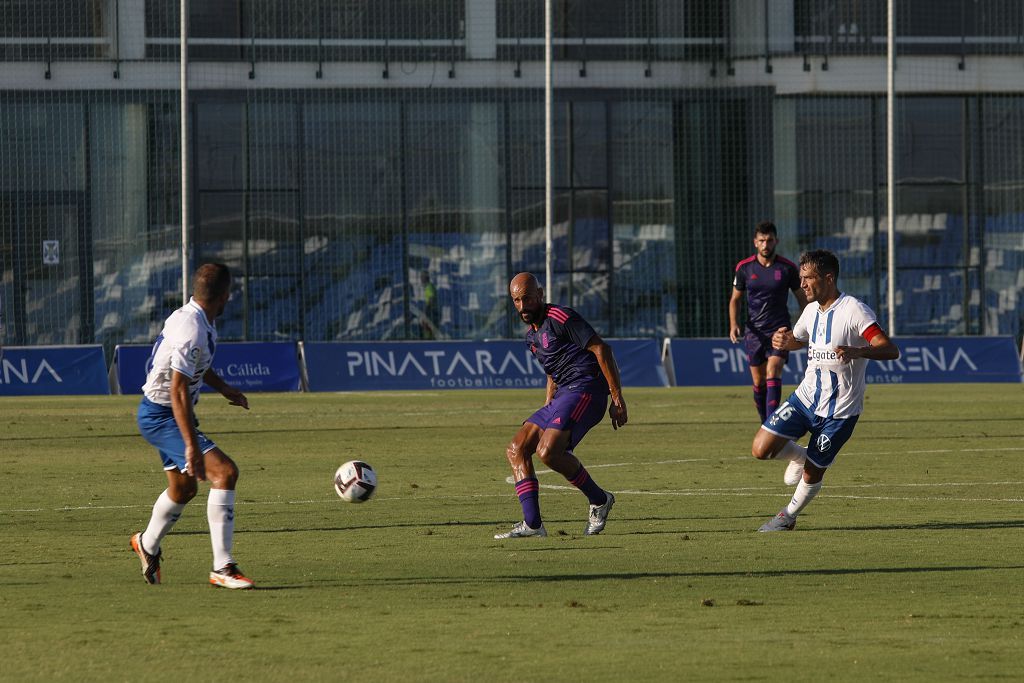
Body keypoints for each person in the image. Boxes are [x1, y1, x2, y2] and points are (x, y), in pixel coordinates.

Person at [751, 249, 900, 532]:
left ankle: (787, 517)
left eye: (808, 278)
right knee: (760, 449)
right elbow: (799, 340)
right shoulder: (810, 311)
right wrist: (785, 341)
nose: (803, 284)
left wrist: (858, 350)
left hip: (840, 411)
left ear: (828, 278)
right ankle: (798, 453)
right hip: (806, 398)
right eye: (801, 278)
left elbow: (889, 349)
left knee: (813, 470)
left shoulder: (854, 310)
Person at [130, 263, 255, 588]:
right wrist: (190, 445)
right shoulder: (193, 328)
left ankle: (146, 543)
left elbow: (195, 366)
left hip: (166, 413)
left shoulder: (193, 317)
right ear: (225, 296)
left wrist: (225, 387)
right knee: (224, 472)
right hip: (162, 415)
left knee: (184, 489)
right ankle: (223, 567)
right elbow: (178, 388)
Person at [495, 272, 628, 539]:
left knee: (548, 451)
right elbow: (552, 371)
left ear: (540, 295)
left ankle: (599, 500)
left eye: (528, 299)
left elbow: (602, 350)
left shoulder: (560, 317)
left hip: (587, 389)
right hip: (563, 395)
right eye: (517, 300)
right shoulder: (531, 339)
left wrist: (617, 398)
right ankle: (533, 525)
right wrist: (548, 405)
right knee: (516, 448)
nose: (523, 306)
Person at [729, 221, 808, 423]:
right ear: (756, 242)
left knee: (774, 370)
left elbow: (801, 297)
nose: (766, 244)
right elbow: (735, 299)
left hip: (779, 330)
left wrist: (804, 323)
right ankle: (765, 423)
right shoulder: (744, 268)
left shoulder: (787, 268)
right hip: (754, 332)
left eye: (770, 240)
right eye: (762, 240)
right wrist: (733, 324)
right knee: (758, 381)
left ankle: (772, 424)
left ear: (776, 241)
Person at [419, 270, 439, 339]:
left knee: (428, 329)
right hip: (430, 311)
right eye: (420, 277)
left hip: (431, 312)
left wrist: (426, 310)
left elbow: (431, 299)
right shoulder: (428, 287)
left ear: (426, 278)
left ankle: (428, 340)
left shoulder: (429, 287)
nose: (420, 279)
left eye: (422, 277)